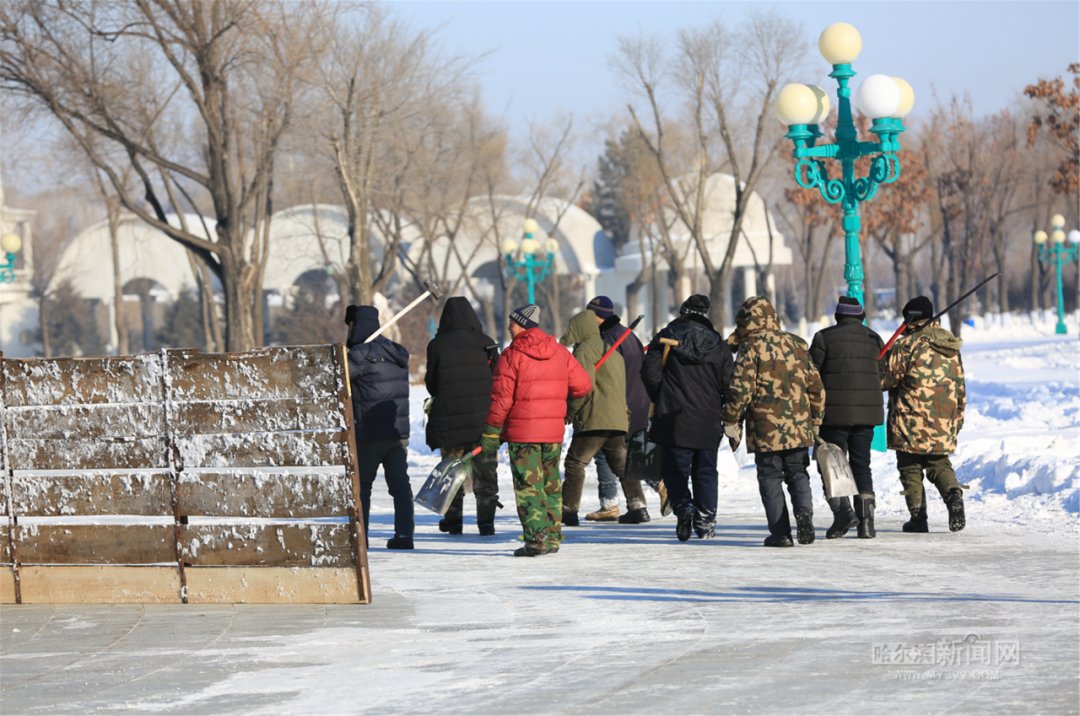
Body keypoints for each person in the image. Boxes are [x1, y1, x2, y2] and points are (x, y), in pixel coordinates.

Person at [482, 304, 592, 557]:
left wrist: (490, 431)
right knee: (551, 484)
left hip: (523, 435)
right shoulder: (559, 352)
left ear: (521, 324)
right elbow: (583, 386)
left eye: (512, 322)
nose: (509, 327)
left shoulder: (512, 355)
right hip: (552, 433)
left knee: (529, 487)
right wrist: (565, 410)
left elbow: (501, 400)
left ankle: (536, 540)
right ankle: (552, 537)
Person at [722, 296, 824, 548]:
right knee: (798, 473)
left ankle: (780, 533)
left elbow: (740, 388)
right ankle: (804, 512)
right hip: (798, 426)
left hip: (765, 427)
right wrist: (816, 419)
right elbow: (816, 387)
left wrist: (731, 418)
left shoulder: (751, 347)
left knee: (770, 477)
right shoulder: (797, 344)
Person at [642, 294, 734, 541]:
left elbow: (650, 372)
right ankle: (705, 520)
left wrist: (660, 395)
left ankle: (683, 506)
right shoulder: (719, 344)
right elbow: (730, 382)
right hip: (708, 418)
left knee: (674, 469)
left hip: (674, 417)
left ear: (683, 311)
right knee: (706, 471)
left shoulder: (667, 336)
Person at [881, 296, 967, 533]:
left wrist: (878, 363)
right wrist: (958, 417)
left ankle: (918, 517)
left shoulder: (906, 346)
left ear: (910, 320)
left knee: (909, 464)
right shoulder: (950, 345)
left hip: (911, 419)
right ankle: (953, 495)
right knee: (938, 461)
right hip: (945, 416)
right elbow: (960, 383)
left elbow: (885, 380)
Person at [560, 308, 649, 526]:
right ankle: (638, 507)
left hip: (594, 417)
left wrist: (571, 410)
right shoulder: (610, 349)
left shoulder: (583, 351)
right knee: (622, 465)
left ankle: (568, 511)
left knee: (575, 462)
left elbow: (582, 387)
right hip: (617, 418)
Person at [425, 297, 501, 536]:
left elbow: (431, 383)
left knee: (452, 471)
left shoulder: (437, 346)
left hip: (450, 420)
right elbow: (498, 378)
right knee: (485, 473)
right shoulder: (487, 344)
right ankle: (486, 522)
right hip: (482, 421)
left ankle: (453, 521)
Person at [809, 296, 884, 539]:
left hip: (833, 415)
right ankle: (866, 523)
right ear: (860, 316)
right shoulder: (874, 339)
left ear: (838, 316)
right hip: (866, 413)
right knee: (862, 464)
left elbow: (811, 374)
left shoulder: (823, 338)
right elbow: (881, 375)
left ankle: (843, 513)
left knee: (832, 465)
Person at [346, 304, 414, 550]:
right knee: (400, 485)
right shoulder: (396, 352)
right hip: (397, 432)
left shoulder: (360, 355)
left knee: (362, 486)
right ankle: (405, 534)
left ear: (357, 325)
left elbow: (338, 378)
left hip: (369, 433)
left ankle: (360, 538)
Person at [583, 296, 653, 524]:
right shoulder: (626, 335)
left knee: (605, 451)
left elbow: (605, 376)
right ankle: (640, 500)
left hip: (619, 404)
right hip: (637, 401)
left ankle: (610, 504)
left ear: (597, 316)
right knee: (623, 455)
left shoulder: (607, 339)